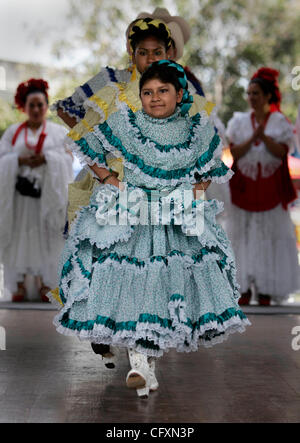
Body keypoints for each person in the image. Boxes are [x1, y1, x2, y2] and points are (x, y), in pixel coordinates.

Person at [51, 60, 250, 398]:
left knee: (164, 292)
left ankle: (147, 366)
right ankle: (140, 364)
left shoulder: (195, 130)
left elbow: (210, 169)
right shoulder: (127, 123)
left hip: (175, 221)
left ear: (179, 94)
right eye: (147, 92)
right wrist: (110, 179)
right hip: (134, 216)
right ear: (139, 96)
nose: (155, 98)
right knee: (135, 288)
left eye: (163, 91)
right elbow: (89, 145)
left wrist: (194, 194)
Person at [226, 67, 299, 306]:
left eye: (256, 93)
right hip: (245, 188)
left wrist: (264, 136)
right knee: (244, 237)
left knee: (269, 237)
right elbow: (234, 151)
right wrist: (253, 137)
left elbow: (281, 152)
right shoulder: (238, 121)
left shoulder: (279, 122)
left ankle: (267, 288)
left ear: (267, 96)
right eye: (249, 93)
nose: (251, 98)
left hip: (270, 189)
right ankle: (244, 287)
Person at [0, 79, 73, 302]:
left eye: (40, 104)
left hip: (47, 196)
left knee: (46, 236)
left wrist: (47, 159)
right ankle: (19, 284)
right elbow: (2, 158)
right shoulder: (14, 132)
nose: (36, 109)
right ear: (25, 107)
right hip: (20, 199)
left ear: (46, 105)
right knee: (19, 237)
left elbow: (68, 158)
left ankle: (46, 284)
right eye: (31, 105)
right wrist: (19, 160)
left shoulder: (58, 132)